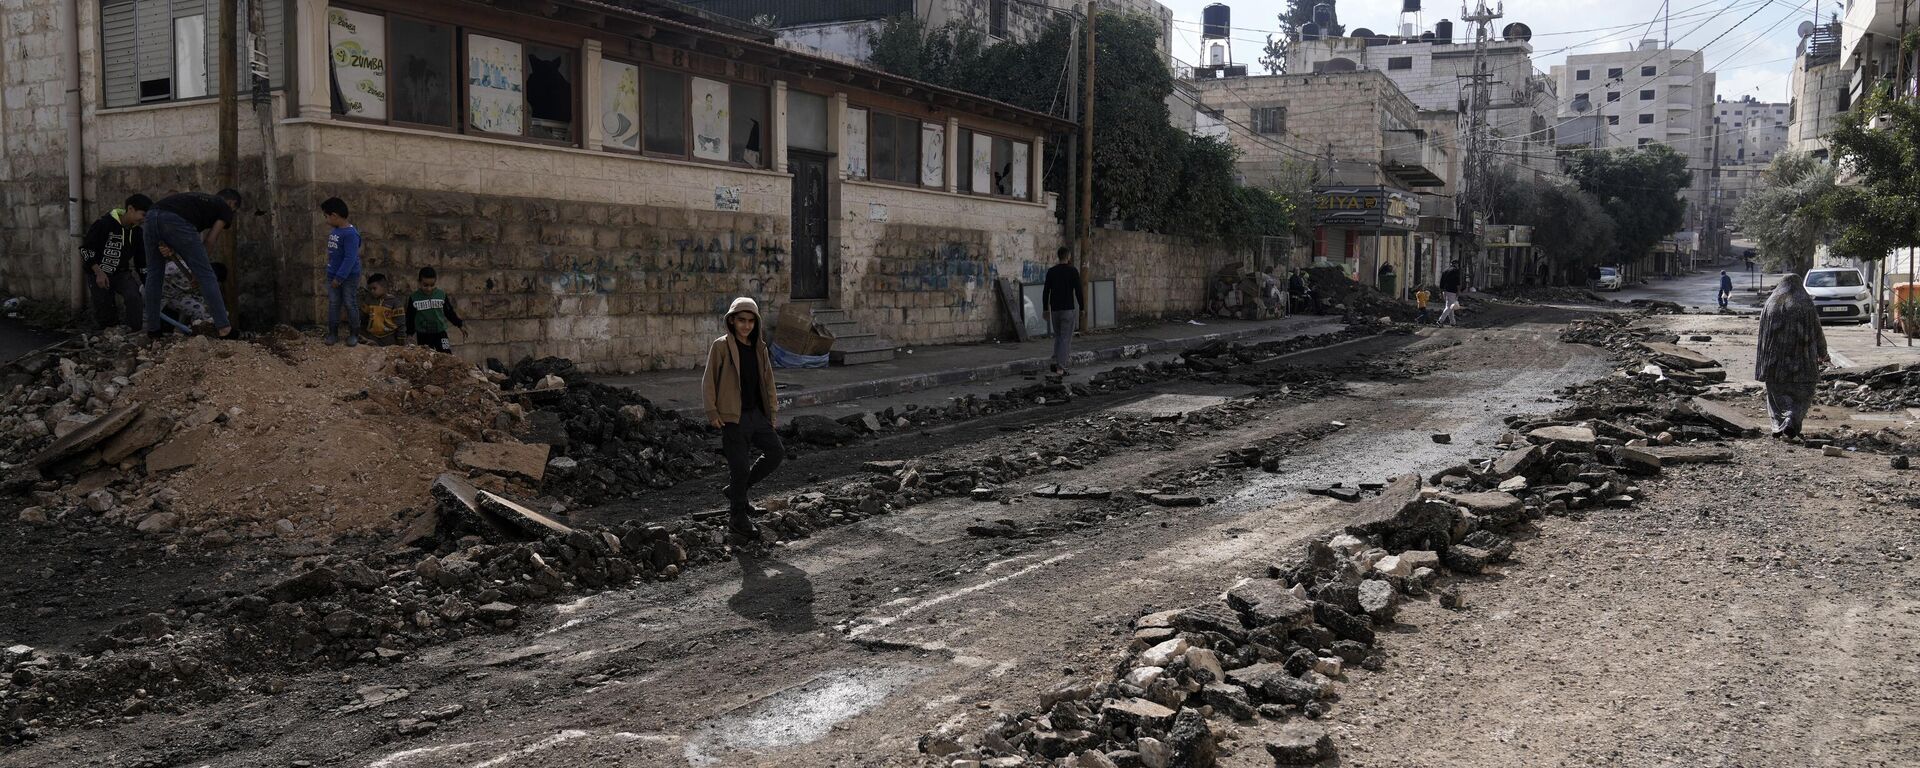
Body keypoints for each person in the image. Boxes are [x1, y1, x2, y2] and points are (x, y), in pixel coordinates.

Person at [702, 297, 783, 540]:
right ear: (732, 321)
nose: (745, 326)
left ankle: (738, 492)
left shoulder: (760, 348)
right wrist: (712, 412)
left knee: (776, 452)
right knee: (739, 467)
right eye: (741, 320)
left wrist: (772, 412)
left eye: (750, 321)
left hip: (756, 415)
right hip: (732, 418)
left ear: (756, 323)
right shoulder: (721, 347)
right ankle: (737, 518)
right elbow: (708, 381)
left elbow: (768, 383)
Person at [142, 189, 241, 339]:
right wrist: (198, 269)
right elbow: (210, 240)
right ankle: (225, 329)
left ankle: (153, 330)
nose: (231, 216)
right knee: (207, 275)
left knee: (154, 274)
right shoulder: (225, 208)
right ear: (231, 203)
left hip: (150, 216)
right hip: (175, 221)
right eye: (234, 210)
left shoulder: (196, 198)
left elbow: (168, 221)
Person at [1756, 274, 1829, 439]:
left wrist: (1763, 363)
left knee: (1776, 395)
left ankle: (1778, 425)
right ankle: (1792, 419)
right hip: (1802, 363)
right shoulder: (1804, 303)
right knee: (1803, 394)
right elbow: (1817, 331)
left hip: (1773, 365)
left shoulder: (1770, 304)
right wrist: (1823, 353)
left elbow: (1761, 336)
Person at [81, 194, 150, 330]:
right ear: (130, 209)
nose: (144, 219)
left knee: (134, 297)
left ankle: (134, 333)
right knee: (105, 309)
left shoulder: (137, 233)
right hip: (98, 273)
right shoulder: (104, 224)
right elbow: (86, 250)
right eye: (143, 215)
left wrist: (146, 282)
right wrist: (99, 273)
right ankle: (109, 336)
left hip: (121, 273)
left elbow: (141, 261)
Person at [321, 197, 363, 346]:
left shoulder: (351, 234)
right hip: (333, 274)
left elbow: (350, 259)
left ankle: (354, 333)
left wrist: (339, 278)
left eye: (326, 216)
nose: (326, 219)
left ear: (334, 215)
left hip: (347, 277)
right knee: (333, 304)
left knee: (350, 303)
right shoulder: (335, 231)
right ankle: (333, 333)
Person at [405, 266, 466, 353]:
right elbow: (410, 317)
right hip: (423, 334)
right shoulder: (414, 297)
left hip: (440, 333)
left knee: (446, 354)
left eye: (432, 285)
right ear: (419, 282)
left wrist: (460, 325)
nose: (429, 289)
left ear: (435, 282)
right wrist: (409, 334)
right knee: (426, 358)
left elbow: (449, 312)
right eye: (425, 285)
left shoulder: (441, 295)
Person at [1042, 247, 1083, 374]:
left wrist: (1045, 308)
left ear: (1058, 256)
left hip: (1055, 310)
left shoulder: (1051, 271)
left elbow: (1046, 291)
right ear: (1068, 256)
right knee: (1065, 338)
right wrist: (1082, 307)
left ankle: (1055, 360)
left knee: (1058, 336)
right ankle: (1061, 367)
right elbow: (1078, 291)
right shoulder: (1073, 271)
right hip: (1068, 309)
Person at [361, 273, 406, 346]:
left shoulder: (395, 303)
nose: (372, 291)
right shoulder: (369, 301)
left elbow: (400, 324)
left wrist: (401, 341)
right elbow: (363, 318)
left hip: (389, 338)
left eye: (374, 288)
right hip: (372, 337)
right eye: (370, 289)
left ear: (384, 287)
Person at [1438, 262, 1463, 326]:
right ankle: (1440, 321)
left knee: (1450, 307)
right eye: (1457, 264)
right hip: (1452, 291)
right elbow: (1457, 281)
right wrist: (1458, 291)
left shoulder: (1445, 271)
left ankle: (1453, 322)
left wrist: (1441, 292)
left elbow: (1441, 282)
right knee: (1449, 307)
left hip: (1445, 291)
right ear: (1456, 264)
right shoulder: (1455, 271)